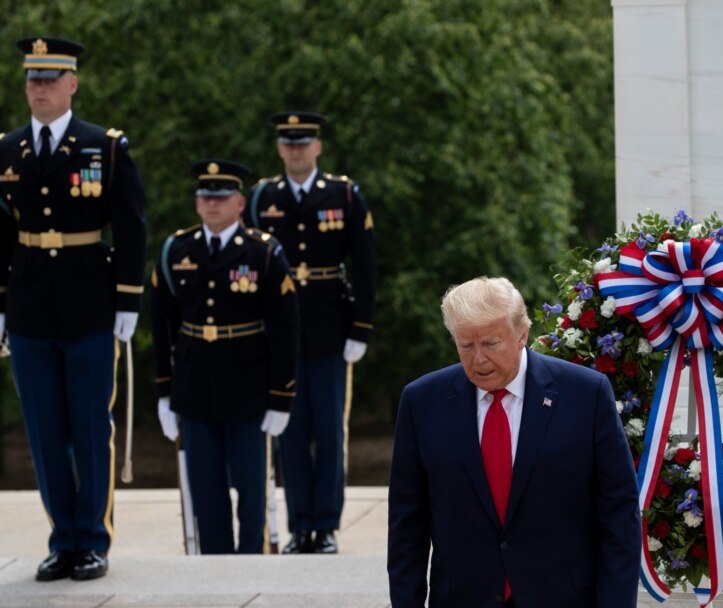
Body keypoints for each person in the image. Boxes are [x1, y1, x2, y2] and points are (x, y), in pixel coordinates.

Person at [387, 277, 641, 608]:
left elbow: (619, 516)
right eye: (466, 345)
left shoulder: (586, 394)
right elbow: (407, 526)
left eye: (491, 343)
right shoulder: (422, 402)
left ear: (522, 334)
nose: (478, 359)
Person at [0, 36, 147, 582]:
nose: (39, 89)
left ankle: (93, 539)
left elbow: (131, 226)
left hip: (90, 303)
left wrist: (128, 299)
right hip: (30, 304)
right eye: (32, 80)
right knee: (42, 429)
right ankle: (62, 538)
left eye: (49, 79)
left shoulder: (103, 147)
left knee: (89, 426)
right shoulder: (7, 150)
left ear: (72, 84)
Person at [150, 159, 299, 554]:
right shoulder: (176, 250)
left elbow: (285, 329)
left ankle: (251, 568)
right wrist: (164, 394)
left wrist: (282, 396)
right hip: (195, 388)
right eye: (205, 196)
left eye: (221, 197)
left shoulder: (263, 253)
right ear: (197, 203)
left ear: (239, 202)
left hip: (249, 389)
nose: (212, 204)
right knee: (206, 493)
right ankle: (215, 574)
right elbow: (162, 325)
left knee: (252, 496)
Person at [247, 111, 376, 554]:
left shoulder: (343, 193)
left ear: (318, 146)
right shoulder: (262, 197)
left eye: (304, 142)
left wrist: (361, 325)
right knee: (291, 433)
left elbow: (365, 264)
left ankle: (326, 525)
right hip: (279, 333)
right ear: (280, 148)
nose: (296, 150)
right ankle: (300, 524)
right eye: (288, 142)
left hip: (329, 326)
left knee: (328, 429)